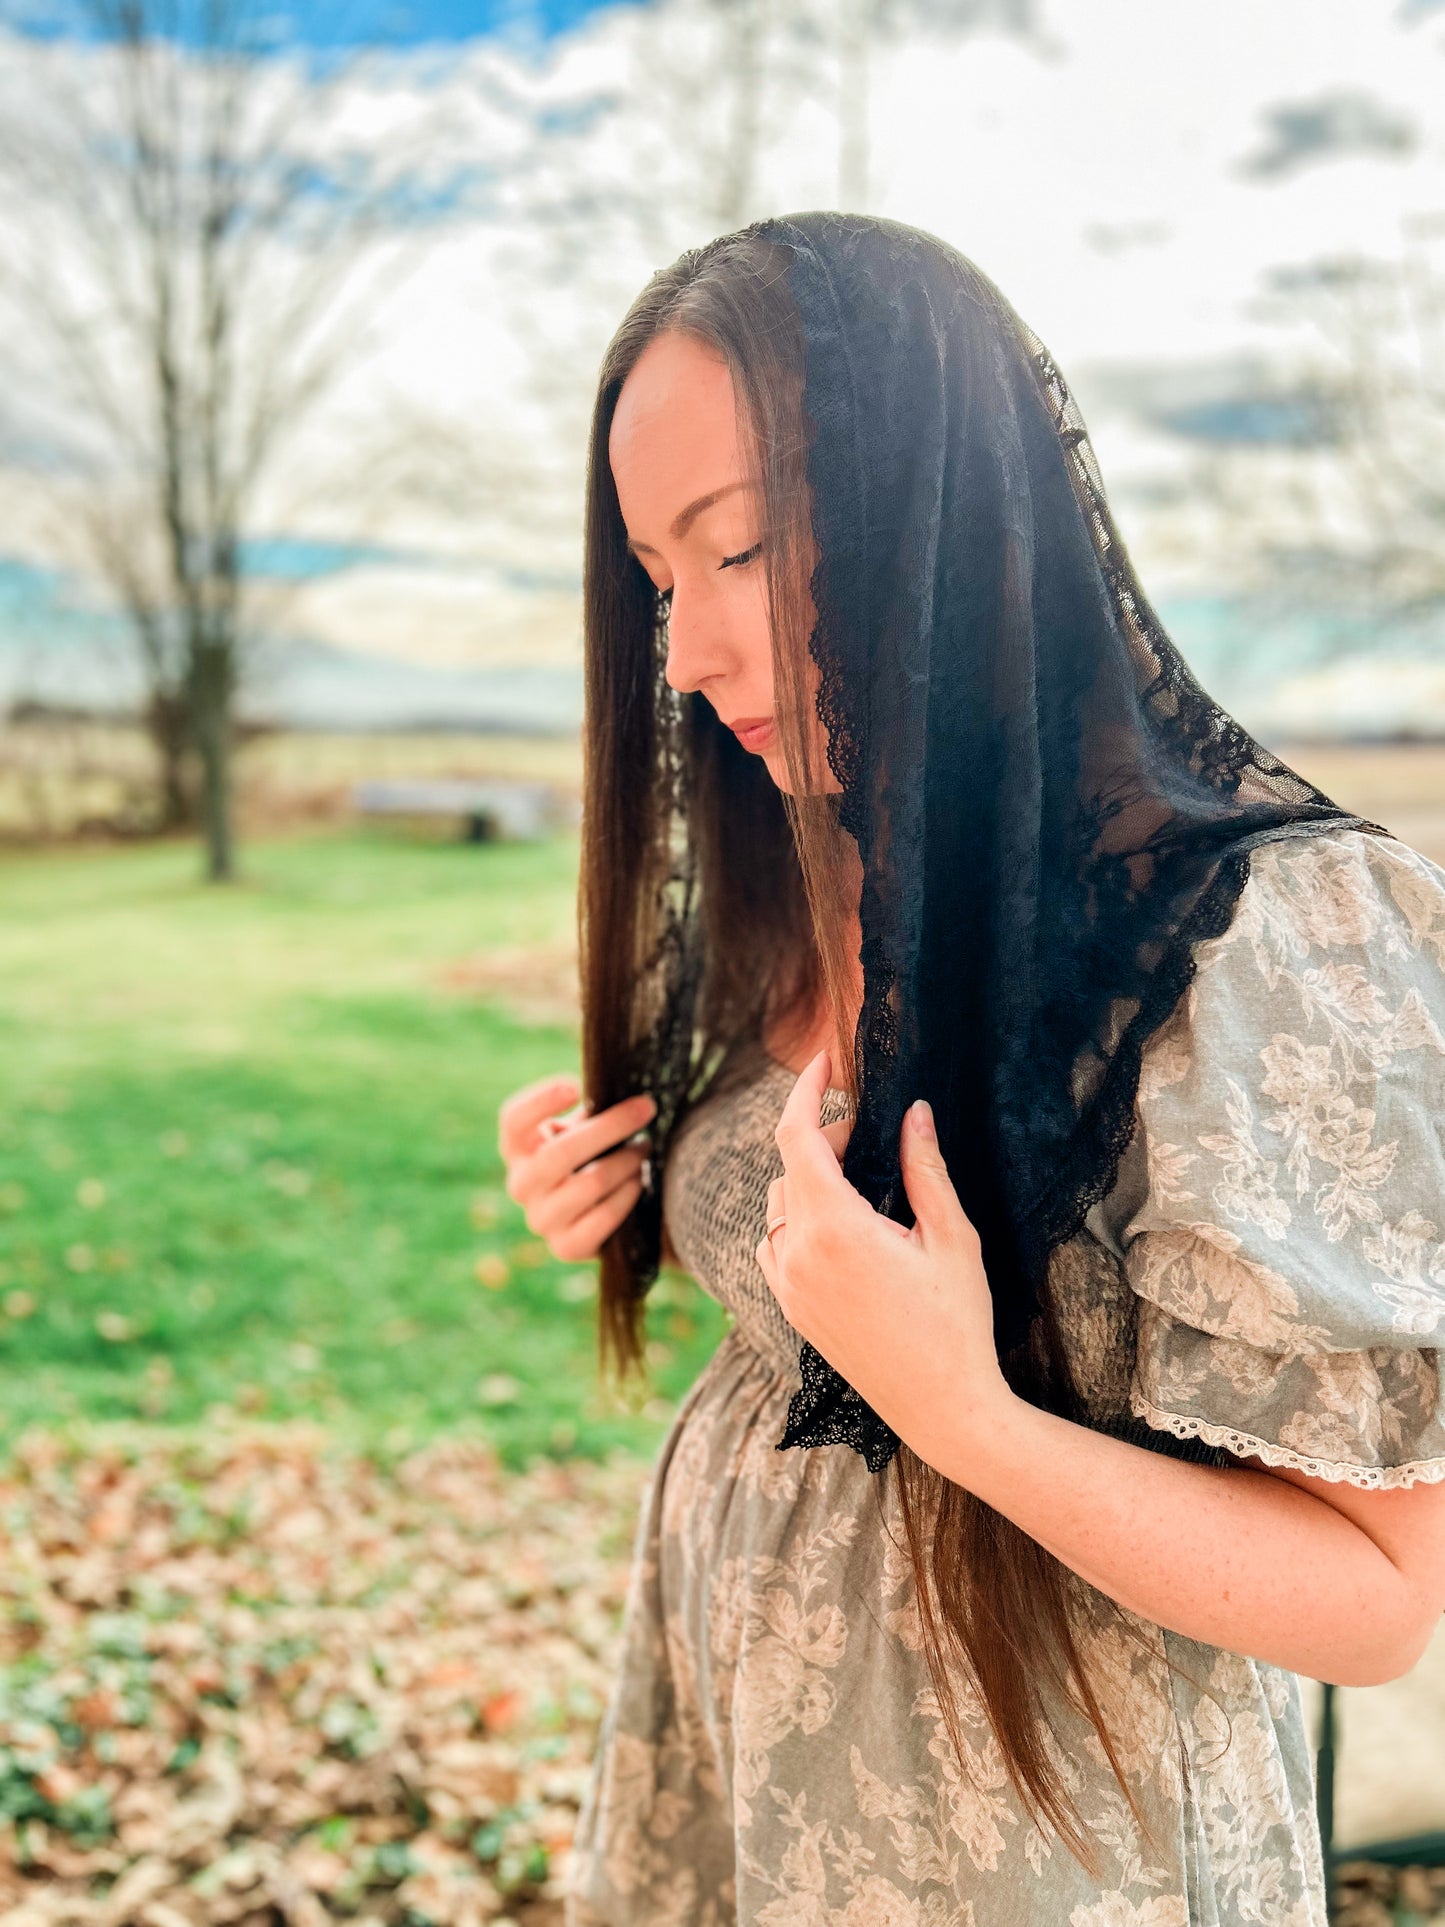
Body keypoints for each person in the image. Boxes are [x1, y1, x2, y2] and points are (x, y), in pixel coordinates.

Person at [495, 211, 1445, 1927]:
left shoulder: (1258, 930)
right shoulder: (811, 851)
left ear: (947, 510)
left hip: (1033, 1842)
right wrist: (634, 1177)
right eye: (658, 584)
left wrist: (964, 1419)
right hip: (736, 1762)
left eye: (744, 548)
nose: (693, 658)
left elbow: (1377, 1598)